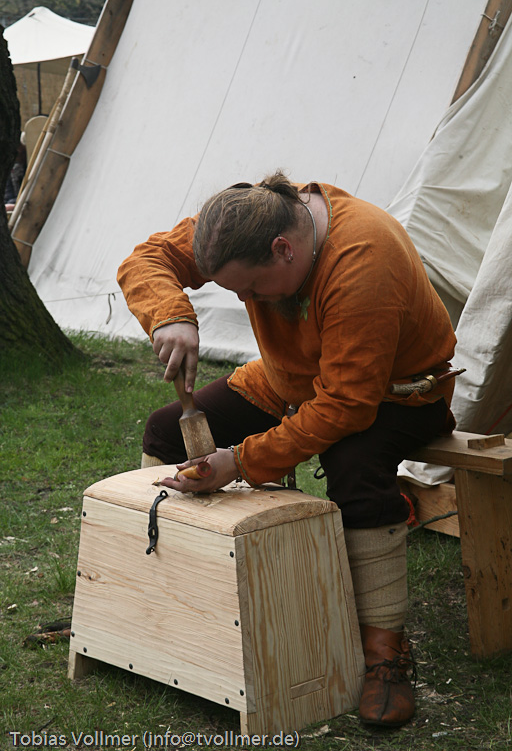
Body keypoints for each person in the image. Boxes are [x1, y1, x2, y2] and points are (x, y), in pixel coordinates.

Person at [117, 171, 457, 728]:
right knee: (165, 431)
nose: (246, 301)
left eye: (251, 289)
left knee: (353, 462)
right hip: (291, 380)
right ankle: (169, 592)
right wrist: (171, 315)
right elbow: (147, 258)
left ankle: (384, 652)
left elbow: (346, 406)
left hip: (398, 393)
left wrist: (240, 462)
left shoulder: (363, 258)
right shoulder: (240, 223)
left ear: (284, 249)